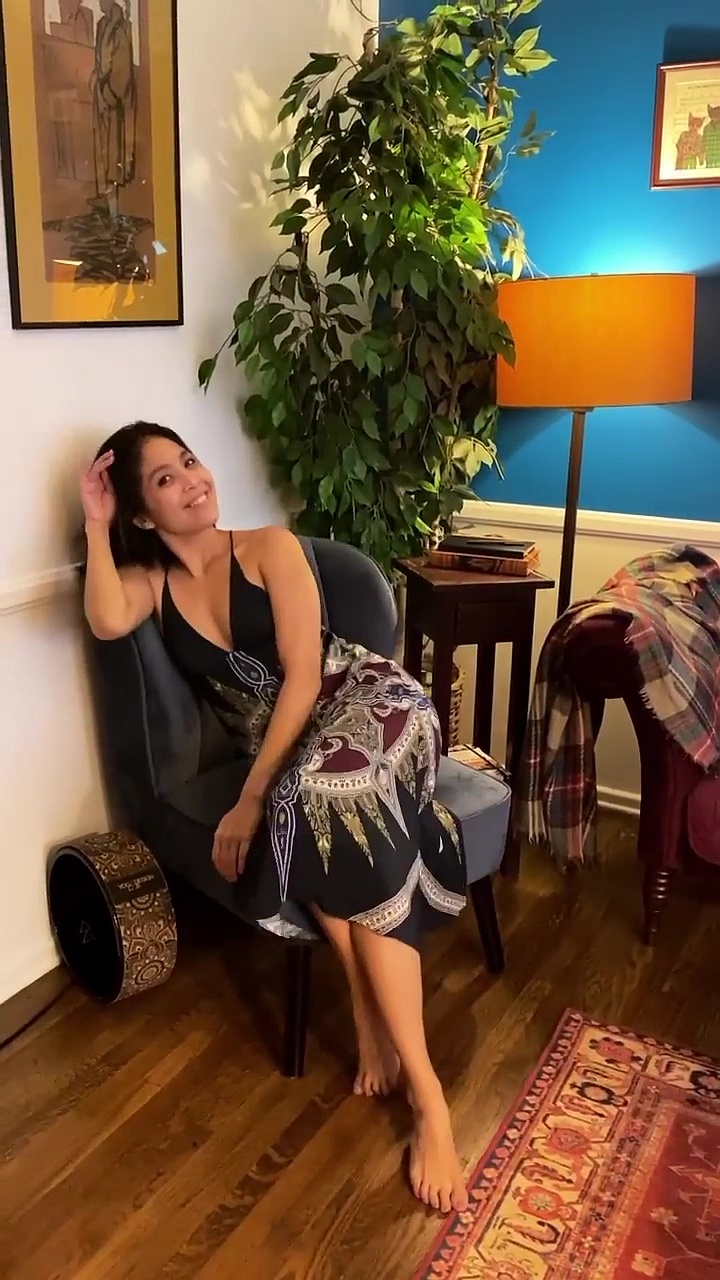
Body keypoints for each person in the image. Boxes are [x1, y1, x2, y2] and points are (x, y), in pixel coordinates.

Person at [80, 420, 469, 1214]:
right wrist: (94, 521)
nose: (194, 480)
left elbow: (302, 679)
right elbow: (105, 619)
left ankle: (430, 1101)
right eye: (165, 479)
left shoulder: (269, 547)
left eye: (190, 461)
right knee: (310, 803)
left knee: (317, 797)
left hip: (366, 702)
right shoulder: (153, 584)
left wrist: (251, 796)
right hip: (296, 749)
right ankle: (365, 1002)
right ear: (143, 514)